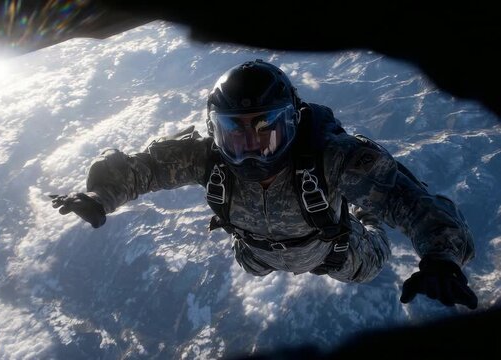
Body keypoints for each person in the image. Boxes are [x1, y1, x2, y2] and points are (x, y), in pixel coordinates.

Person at [50, 59, 477, 309]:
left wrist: (442, 259)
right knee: (252, 264)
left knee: (369, 265)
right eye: (235, 135)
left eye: (265, 133)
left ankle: (362, 213)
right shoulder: (207, 157)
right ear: (216, 134)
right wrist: (100, 195)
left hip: (337, 250)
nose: (251, 151)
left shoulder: (334, 157)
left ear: (291, 124)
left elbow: (414, 204)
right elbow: (142, 167)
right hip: (256, 252)